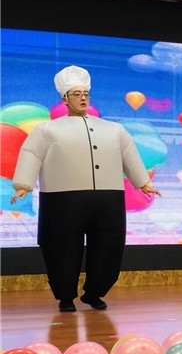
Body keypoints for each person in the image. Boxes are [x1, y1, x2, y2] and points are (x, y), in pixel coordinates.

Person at [11, 65, 161, 312]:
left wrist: (143, 183)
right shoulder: (47, 130)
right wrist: (23, 185)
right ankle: (65, 297)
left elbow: (130, 155)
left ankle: (94, 293)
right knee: (61, 248)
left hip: (109, 199)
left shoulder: (114, 129)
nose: (82, 98)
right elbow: (31, 154)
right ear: (65, 99)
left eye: (85, 94)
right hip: (61, 200)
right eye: (76, 94)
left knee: (109, 247)